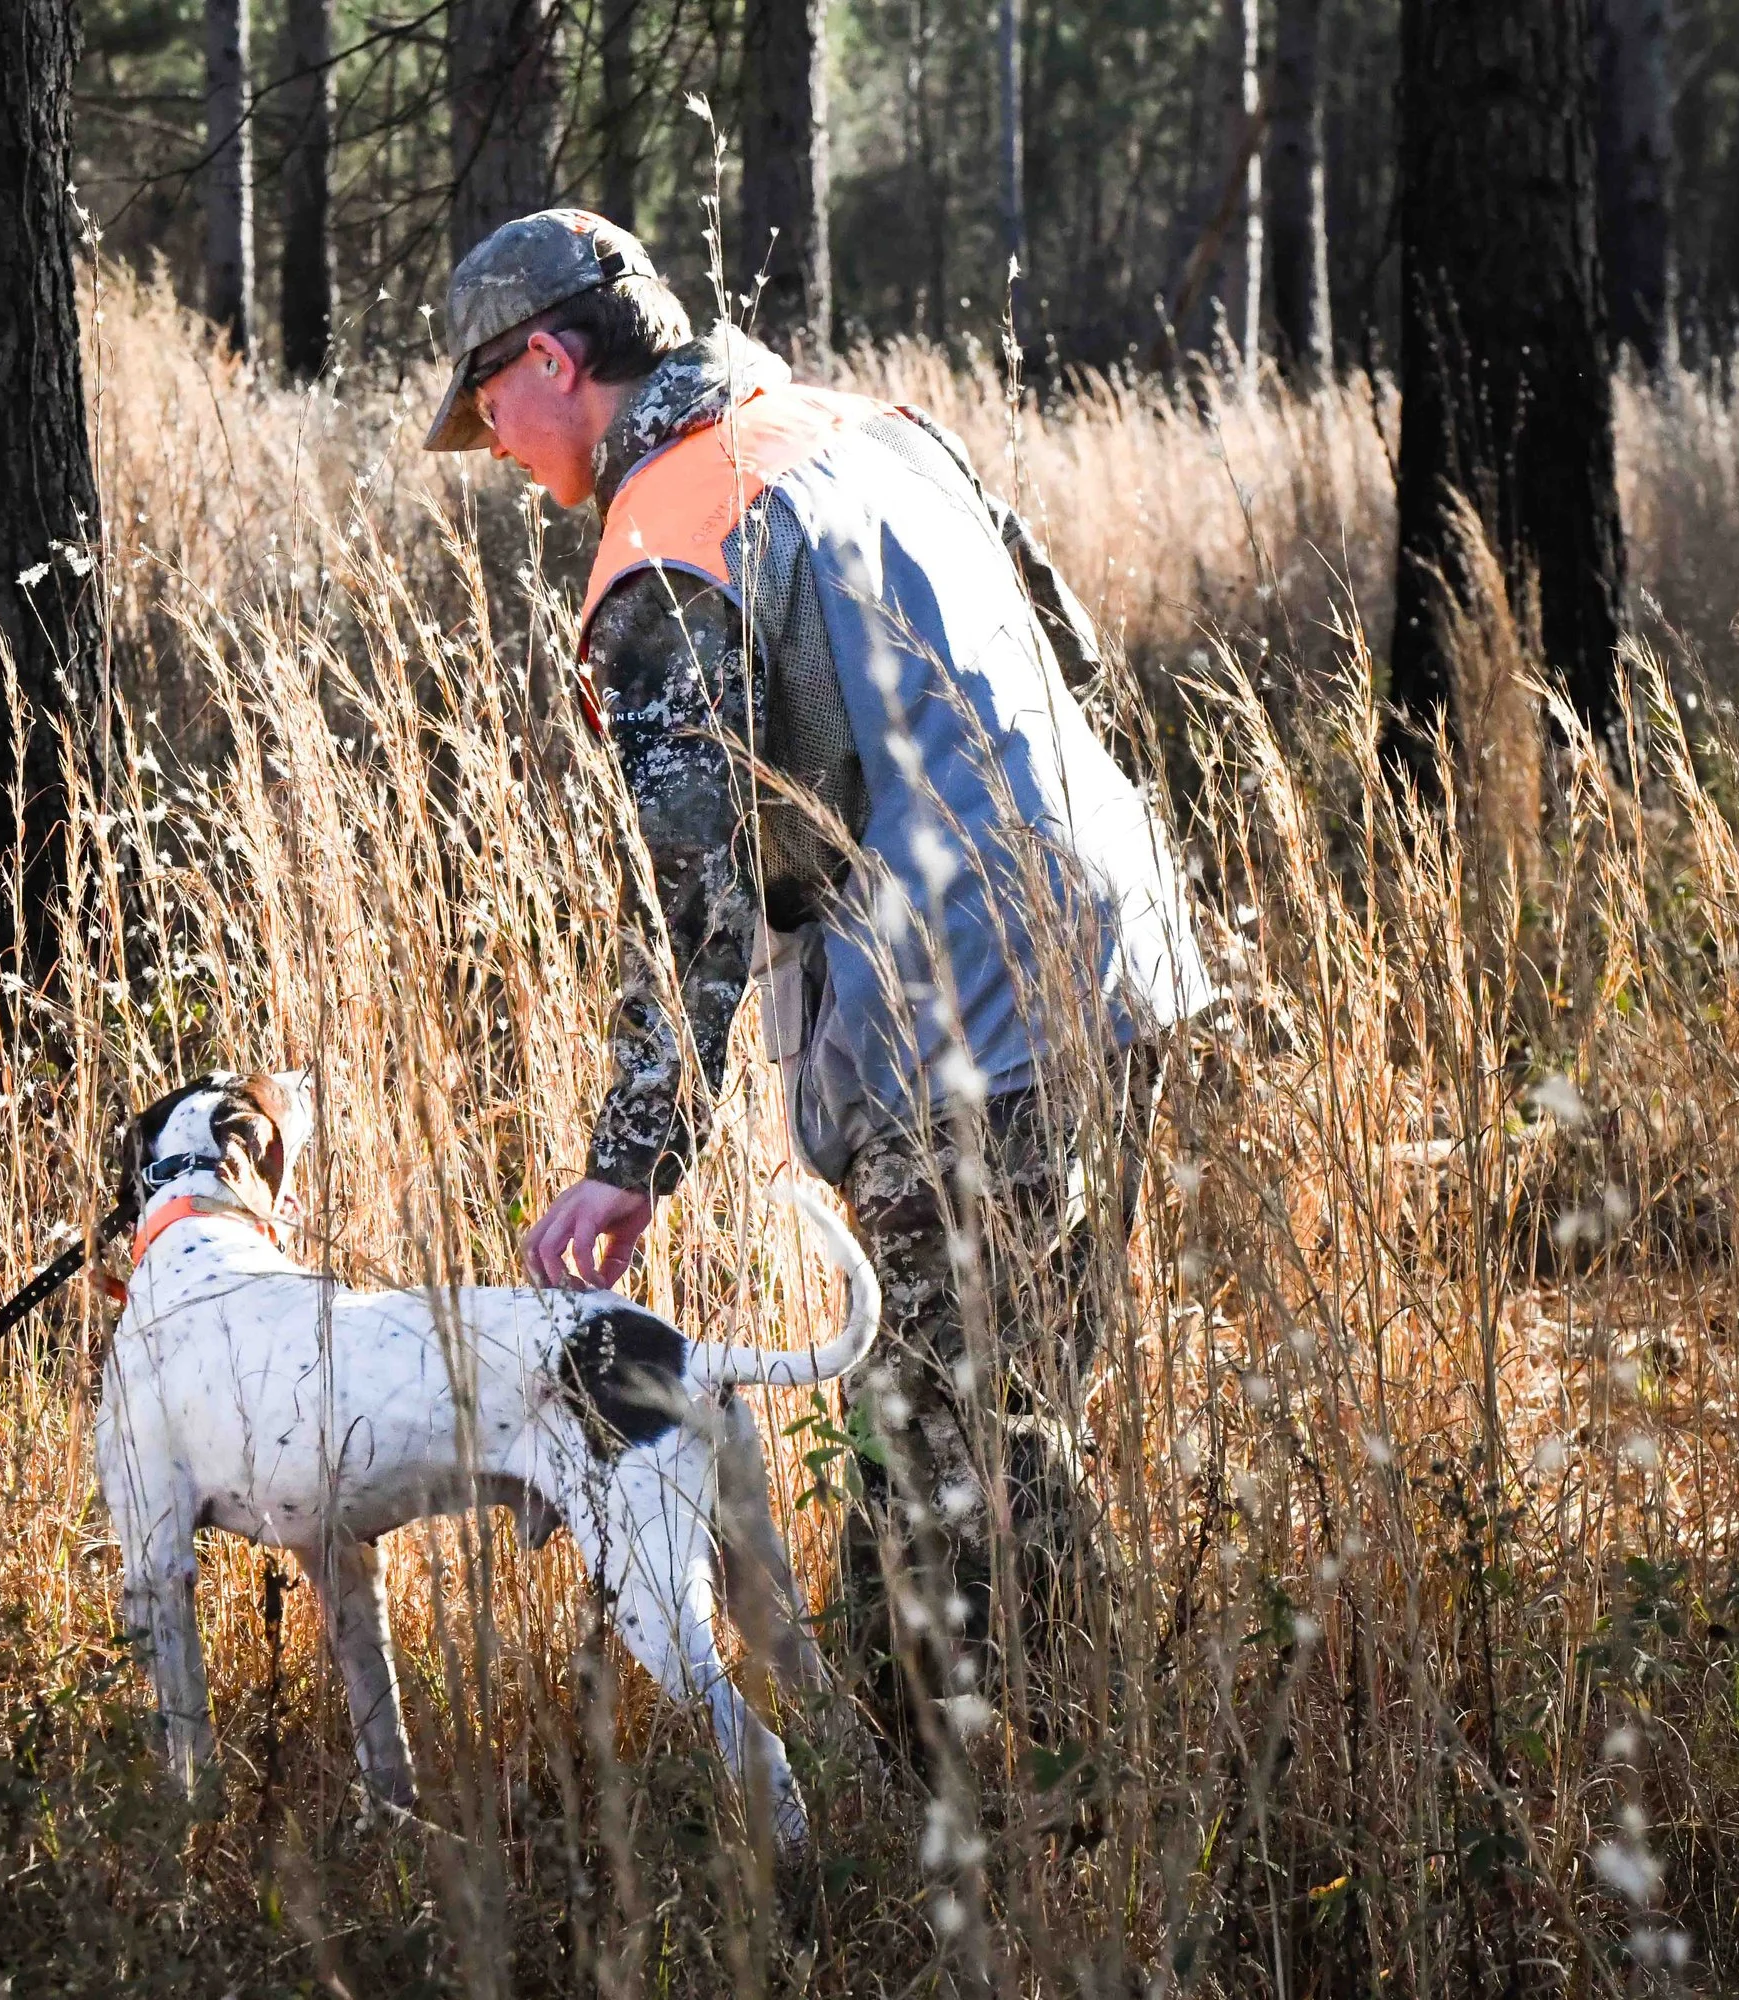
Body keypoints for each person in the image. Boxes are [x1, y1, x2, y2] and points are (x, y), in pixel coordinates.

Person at [422, 209, 1210, 1739]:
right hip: (1118, 954)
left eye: (487, 402)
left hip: (961, 1024)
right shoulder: (873, 424)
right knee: (1011, 1427)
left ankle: (957, 1859)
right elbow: (1076, 655)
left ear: (553, 356)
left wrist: (625, 1165)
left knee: (942, 1483)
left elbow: (694, 903)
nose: (493, 446)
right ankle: (1081, 1790)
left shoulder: (665, 539)